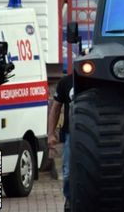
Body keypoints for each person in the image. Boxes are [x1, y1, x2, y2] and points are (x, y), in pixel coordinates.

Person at [47, 74, 74, 212]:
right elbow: (56, 108)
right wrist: (51, 134)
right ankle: (69, 199)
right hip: (71, 134)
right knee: (68, 172)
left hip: (96, 135)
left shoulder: (98, 80)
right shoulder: (65, 82)